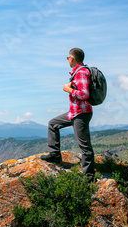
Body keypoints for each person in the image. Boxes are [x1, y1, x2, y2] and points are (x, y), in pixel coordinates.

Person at [40, 48, 95, 181]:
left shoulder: (81, 72)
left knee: (84, 145)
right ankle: (55, 154)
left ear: (71, 59)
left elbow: (85, 94)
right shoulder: (78, 72)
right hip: (75, 111)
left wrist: (68, 89)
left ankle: (89, 177)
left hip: (81, 113)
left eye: (67, 58)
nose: (67, 60)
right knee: (53, 124)